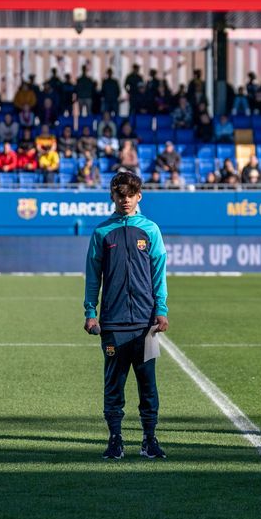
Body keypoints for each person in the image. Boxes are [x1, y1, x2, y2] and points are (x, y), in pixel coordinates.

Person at [82, 171, 169, 460]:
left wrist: (161, 310)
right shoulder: (102, 232)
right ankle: (115, 439)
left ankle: (149, 439)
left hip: (145, 324)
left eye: (131, 195)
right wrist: (90, 312)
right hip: (114, 323)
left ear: (139, 196)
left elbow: (159, 274)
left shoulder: (151, 230)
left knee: (148, 385)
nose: (126, 200)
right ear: (113, 197)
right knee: (114, 384)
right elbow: (93, 276)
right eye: (121, 195)